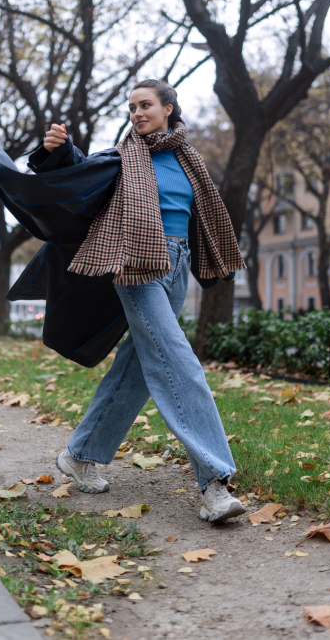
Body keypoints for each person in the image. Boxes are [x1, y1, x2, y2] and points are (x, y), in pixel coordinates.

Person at [46, 79, 247, 524]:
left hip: (176, 263)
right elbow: (83, 173)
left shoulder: (187, 158)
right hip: (135, 262)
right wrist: (59, 152)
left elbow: (202, 214)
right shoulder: (122, 158)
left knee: (137, 365)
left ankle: (81, 453)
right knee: (179, 362)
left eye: (146, 105)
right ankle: (214, 482)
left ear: (168, 109)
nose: (137, 113)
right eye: (132, 107)